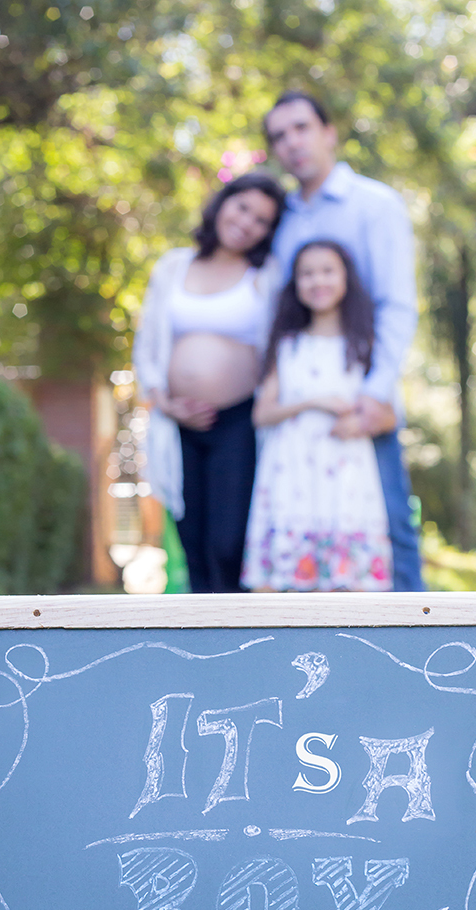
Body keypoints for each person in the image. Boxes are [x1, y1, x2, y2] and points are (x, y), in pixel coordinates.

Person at [264, 91, 424, 591]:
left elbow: (397, 305)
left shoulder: (374, 205)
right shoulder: (283, 222)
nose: (292, 143)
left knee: (389, 533)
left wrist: (374, 394)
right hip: (297, 426)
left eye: (302, 128)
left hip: (362, 401)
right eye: (279, 136)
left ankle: (417, 641)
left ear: (329, 133)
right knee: (310, 553)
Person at [133, 172, 285, 593]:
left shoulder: (267, 275)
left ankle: (242, 630)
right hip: (177, 422)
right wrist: (164, 401)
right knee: (193, 544)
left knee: (229, 543)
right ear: (222, 204)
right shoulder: (173, 266)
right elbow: (147, 344)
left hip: (238, 422)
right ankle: (204, 634)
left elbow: (281, 349)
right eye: (243, 207)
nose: (247, 222)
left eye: (262, 220)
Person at [243, 240, 391, 592]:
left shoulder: (365, 344)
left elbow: (390, 416)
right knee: (280, 591)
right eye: (307, 274)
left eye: (327, 271)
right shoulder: (286, 344)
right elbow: (261, 414)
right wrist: (312, 403)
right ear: (295, 283)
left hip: (346, 474)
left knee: (348, 590)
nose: (317, 281)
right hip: (290, 472)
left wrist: (360, 423)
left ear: (345, 278)